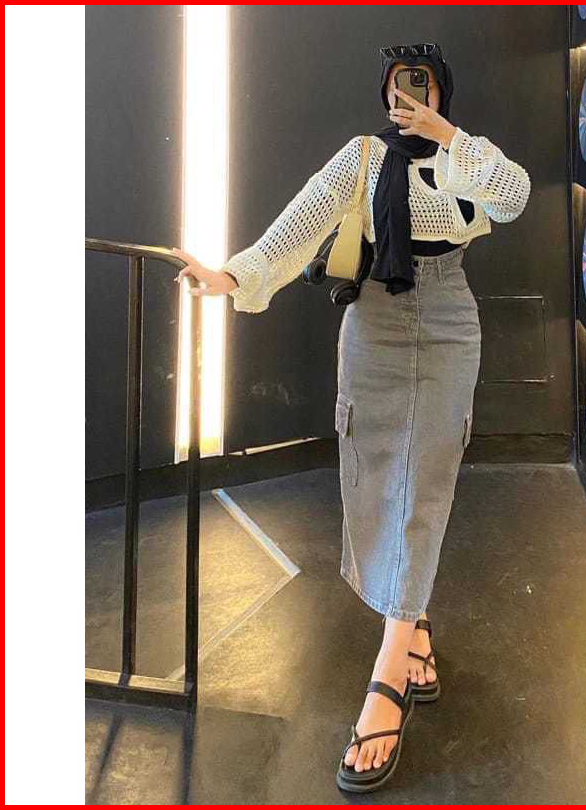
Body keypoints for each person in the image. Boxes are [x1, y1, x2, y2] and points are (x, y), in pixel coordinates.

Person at [173, 42, 530, 792]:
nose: (409, 97)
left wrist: (447, 136)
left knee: (426, 483)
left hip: (448, 319)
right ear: (383, 93)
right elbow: (297, 226)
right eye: (399, 86)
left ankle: (387, 675)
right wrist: (231, 275)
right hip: (371, 324)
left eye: (423, 85)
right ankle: (413, 627)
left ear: (442, 92)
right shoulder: (363, 159)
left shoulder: (467, 159)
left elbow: (512, 197)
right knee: (372, 478)